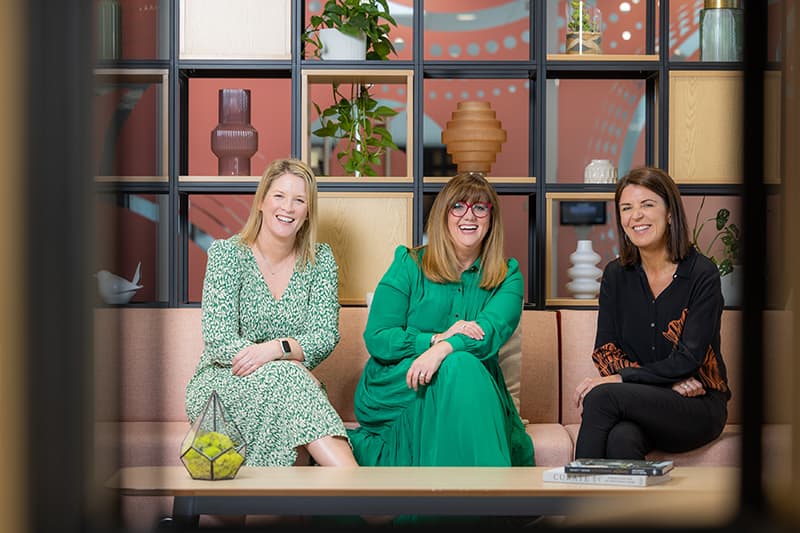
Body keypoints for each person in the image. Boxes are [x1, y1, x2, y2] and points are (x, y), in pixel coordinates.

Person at [348, 171, 534, 470]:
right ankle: (485, 506)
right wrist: (431, 339)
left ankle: (463, 509)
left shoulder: (507, 275)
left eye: (480, 207)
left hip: (470, 387)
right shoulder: (408, 264)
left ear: (491, 217)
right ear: (443, 214)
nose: (468, 215)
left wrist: (443, 349)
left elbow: (489, 331)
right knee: (459, 365)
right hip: (401, 385)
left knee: (459, 365)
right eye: (457, 206)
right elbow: (378, 336)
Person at [185, 158, 357, 468]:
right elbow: (219, 340)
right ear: (262, 201)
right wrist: (281, 364)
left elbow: (325, 335)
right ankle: (366, 501)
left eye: (299, 200)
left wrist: (275, 350)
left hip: (289, 385)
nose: (288, 207)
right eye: (279, 196)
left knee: (287, 381)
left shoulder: (320, 260)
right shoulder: (228, 255)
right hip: (224, 380)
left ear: (307, 212)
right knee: (289, 379)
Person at [573, 166, 731, 460]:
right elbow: (605, 351)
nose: (636, 216)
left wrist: (622, 379)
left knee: (601, 396)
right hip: (646, 402)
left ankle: (576, 503)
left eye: (647, 205)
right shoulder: (615, 275)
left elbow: (689, 359)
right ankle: (629, 507)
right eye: (627, 208)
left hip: (698, 405)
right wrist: (665, 381)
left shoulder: (702, 274)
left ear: (670, 213)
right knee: (621, 438)